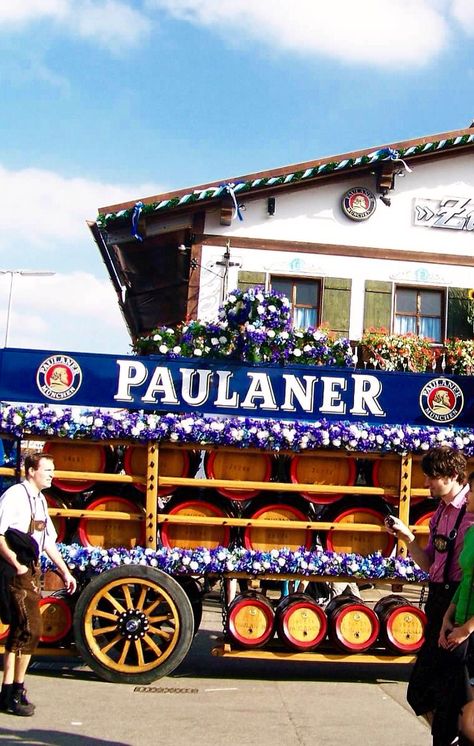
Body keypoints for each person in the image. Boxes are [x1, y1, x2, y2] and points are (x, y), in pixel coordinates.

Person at [384, 446, 474, 741]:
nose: (426, 484)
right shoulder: (439, 514)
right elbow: (431, 565)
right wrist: (406, 537)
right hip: (438, 600)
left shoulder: (471, 512)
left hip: (461, 603)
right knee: (420, 691)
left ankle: (451, 735)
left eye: (432, 478)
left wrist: (465, 623)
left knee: (453, 693)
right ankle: (452, 733)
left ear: (451, 475)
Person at [0, 451, 76, 716]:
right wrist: (17, 564)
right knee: (31, 629)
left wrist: (65, 572)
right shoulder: (14, 496)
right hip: (16, 569)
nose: (52, 475)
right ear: (31, 471)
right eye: (47, 470)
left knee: (20, 631)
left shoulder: (41, 501)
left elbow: (48, 542)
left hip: (30, 569)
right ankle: (16, 689)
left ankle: (8, 692)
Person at [437, 472, 474, 745]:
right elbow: (465, 581)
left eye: (471, 491)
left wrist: (467, 629)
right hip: (458, 625)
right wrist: (448, 618)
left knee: (467, 716)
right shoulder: (472, 532)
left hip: (470, 632)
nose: (468, 496)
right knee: (451, 710)